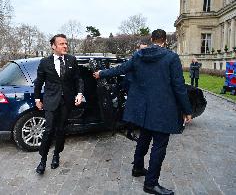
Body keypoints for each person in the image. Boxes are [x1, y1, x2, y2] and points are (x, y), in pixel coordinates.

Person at [93, 29, 192, 195]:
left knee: (144, 139)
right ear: (165, 41)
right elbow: (179, 86)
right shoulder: (171, 57)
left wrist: (101, 73)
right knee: (159, 146)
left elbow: (121, 69)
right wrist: (187, 110)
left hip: (143, 109)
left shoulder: (139, 56)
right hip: (162, 110)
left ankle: (138, 168)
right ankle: (151, 183)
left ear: (152, 39)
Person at [34, 34, 84, 174]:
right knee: (48, 130)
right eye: (61, 44)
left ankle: (56, 155)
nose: (65, 46)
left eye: (65, 43)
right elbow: (39, 82)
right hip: (50, 101)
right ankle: (42, 160)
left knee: (61, 130)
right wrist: (37, 99)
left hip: (66, 102)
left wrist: (79, 94)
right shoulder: (45, 62)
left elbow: (78, 79)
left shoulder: (71, 60)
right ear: (53, 46)